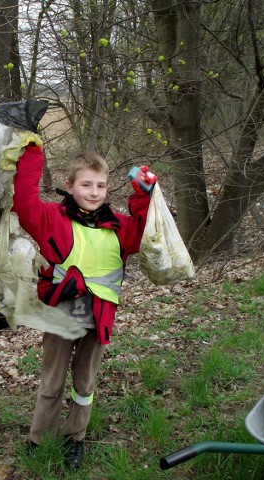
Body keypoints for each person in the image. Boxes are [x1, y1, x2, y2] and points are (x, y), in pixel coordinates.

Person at [12, 144, 156, 469]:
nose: (94, 192)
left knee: (84, 383)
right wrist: (32, 151)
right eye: (86, 184)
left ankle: (74, 438)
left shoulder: (120, 226)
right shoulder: (52, 218)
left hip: (98, 319)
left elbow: (146, 230)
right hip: (60, 316)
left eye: (100, 186)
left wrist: (143, 195)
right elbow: (23, 203)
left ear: (107, 188)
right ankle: (39, 439)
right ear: (70, 185)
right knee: (51, 381)